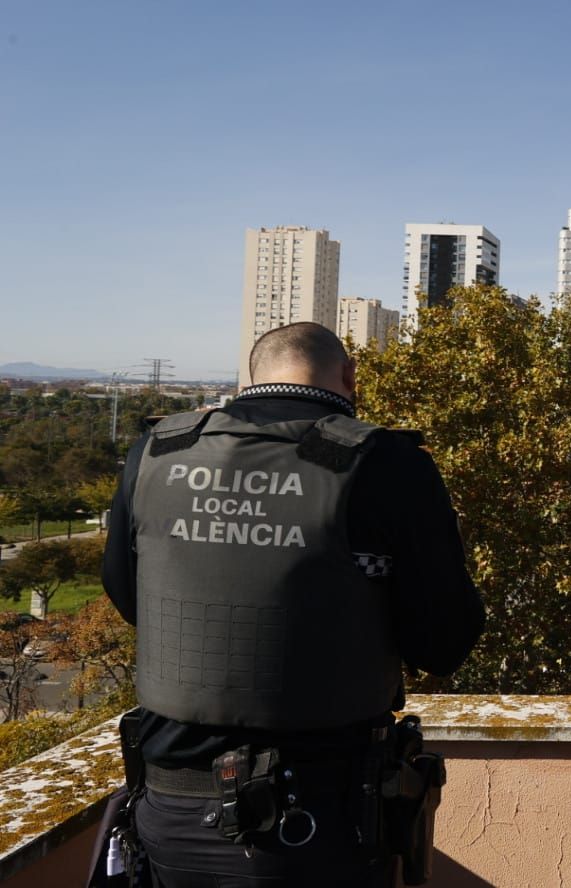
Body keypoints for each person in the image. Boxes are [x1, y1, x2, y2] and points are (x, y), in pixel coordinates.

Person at [101, 322, 486, 886]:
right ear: (350, 377)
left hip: (170, 804)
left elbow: (129, 596)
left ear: (253, 376)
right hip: (324, 815)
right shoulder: (386, 462)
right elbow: (445, 640)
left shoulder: (157, 451)